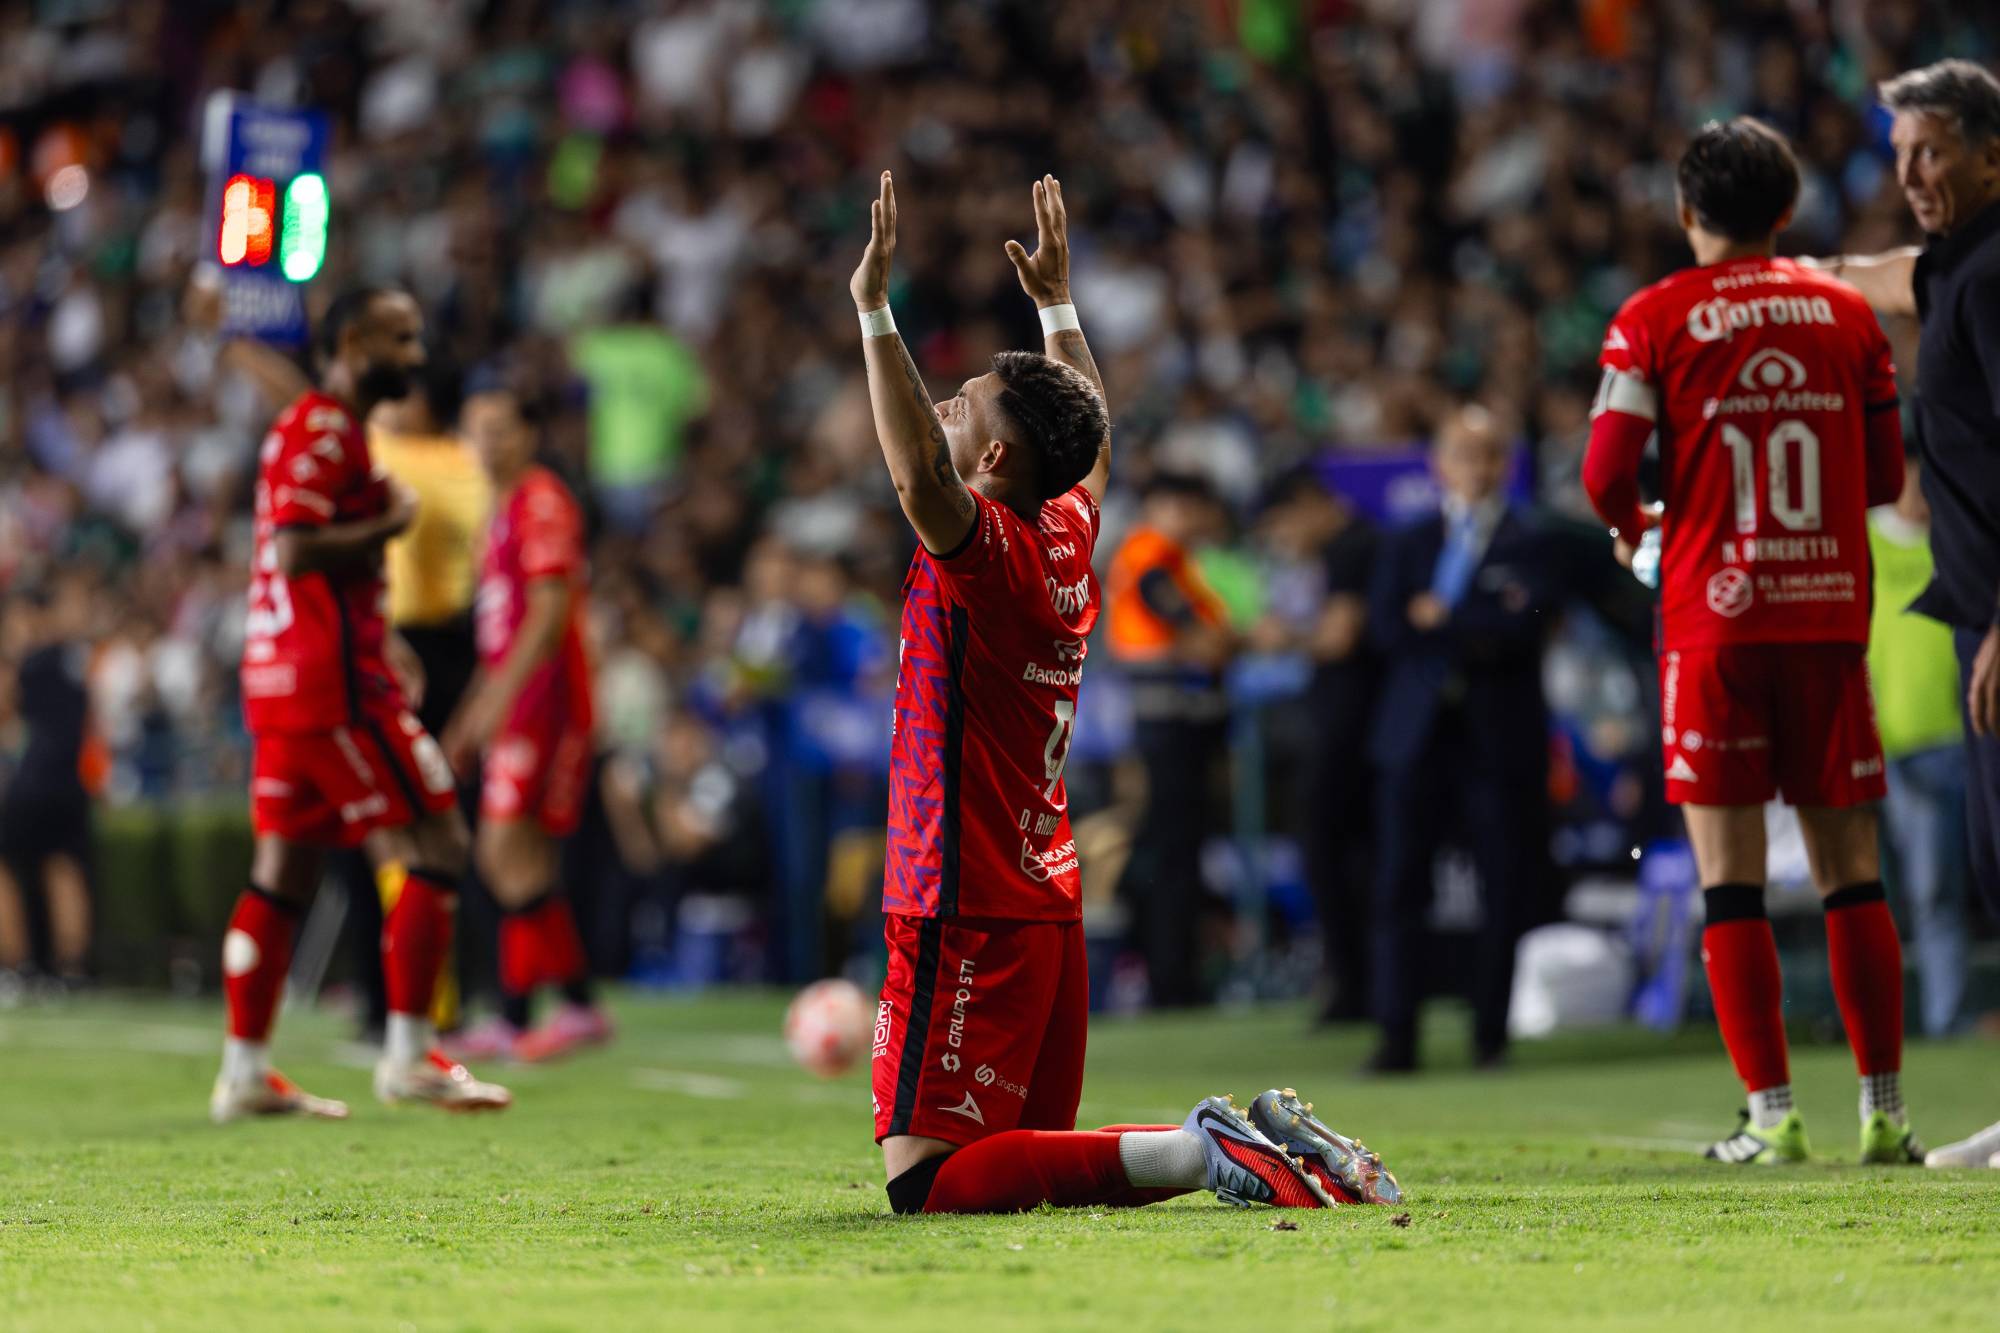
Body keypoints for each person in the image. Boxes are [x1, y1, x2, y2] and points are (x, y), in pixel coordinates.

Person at [853, 171, 1397, 1214]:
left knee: (927, 1183)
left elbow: (919, 474)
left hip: (962, 895)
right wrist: (1056, 305)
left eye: (957, 408)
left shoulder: (998, 550)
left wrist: (873, 308)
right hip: (1040, 892)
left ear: (996, 458)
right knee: (1033, 1163)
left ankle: (1205, 1149)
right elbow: (1090, 448)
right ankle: (1255, 1143)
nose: (938, 409)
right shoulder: (1067, 530)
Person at [1583, 119, 1912, 1165]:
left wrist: (1643, 531)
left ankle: (1770, 1117)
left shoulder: (1651, 316)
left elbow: (1602, 474)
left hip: (1711, 624)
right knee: (1849, 874)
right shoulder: (1847, 312)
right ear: (1785, 212)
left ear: (1686, 211)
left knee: (1728, 878)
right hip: (1823, 619)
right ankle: (1885, 1111)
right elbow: (1882, 483)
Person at [210, 288, 510, 1122]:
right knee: (440, 833)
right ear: (351, 341)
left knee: (284, 871)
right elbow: (298, 548)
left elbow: (314, 563)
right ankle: (411, 1054)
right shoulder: (328, 429)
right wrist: (392, 525)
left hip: (283, 681)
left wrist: (388, 631)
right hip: (332, 687)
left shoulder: (322, 430)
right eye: (400, 339)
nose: (416, 357)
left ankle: (244, 1070)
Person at [1815, 58, 2000, 1172]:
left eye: (1930, 151)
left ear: (1989, 152)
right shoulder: (1956, 268)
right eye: (1898, 155)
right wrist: (1782, 273)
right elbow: (1889, 276)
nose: (1911, 174)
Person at [1366, 404, 1556, 1074]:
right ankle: (1396, 1036)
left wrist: (1441, 619)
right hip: (1415, 735)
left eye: (1487, 453)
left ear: (1503, 463)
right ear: (1439, 463)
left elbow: (1523, 627)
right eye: (1462, 453)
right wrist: (1469, 623)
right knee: (1398, 886)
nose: (1475, 467)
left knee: (1501, 886)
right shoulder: (1409, 538)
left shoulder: (1531, 538)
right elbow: (1386, 626)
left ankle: (1489, 1036)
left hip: (1495, 740)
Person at [441, 388, 610, 1063]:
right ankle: (564, 1007)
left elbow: (546, 613)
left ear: (528, 435)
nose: (487, 441)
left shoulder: (540, 500)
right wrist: (468, 718)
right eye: (476, 429)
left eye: (500, 428)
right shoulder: (501, 511)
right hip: (518, 705)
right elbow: (501, 633)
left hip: (547, 705)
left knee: (503, 851)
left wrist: (494, 706)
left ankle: (548, 1008)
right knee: (521, 857)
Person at [1253, 468, 1379, 1024]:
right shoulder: (1347, 550)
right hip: (1352, 727)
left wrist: (1287, 637)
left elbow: (1338, 637)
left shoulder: (1355, 548)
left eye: (1281, 525)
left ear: (1305, 504)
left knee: (1332, 854)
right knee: (1341, 855)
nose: (1282, 541)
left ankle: (1356, 985)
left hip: (1355, 730)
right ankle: (1355, 982)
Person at [1105, 472, 1233, 1007]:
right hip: (1167, 718)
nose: (1193, 518)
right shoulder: (1149, 551)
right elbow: (1167, 607)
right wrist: (1211, 642)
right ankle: (1169, 979)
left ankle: (1175, 971)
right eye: (1182, 505)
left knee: (1179, 848)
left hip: (1179, 718)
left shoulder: (1172, 557)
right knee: (1172, 850)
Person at [0, 576, 95, 993]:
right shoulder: (74, 661)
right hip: (70, 781)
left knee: (4, 867)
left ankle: (17, 967)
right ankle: (71, 969)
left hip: (32, 782)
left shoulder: (27, 665)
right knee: (63, 868)